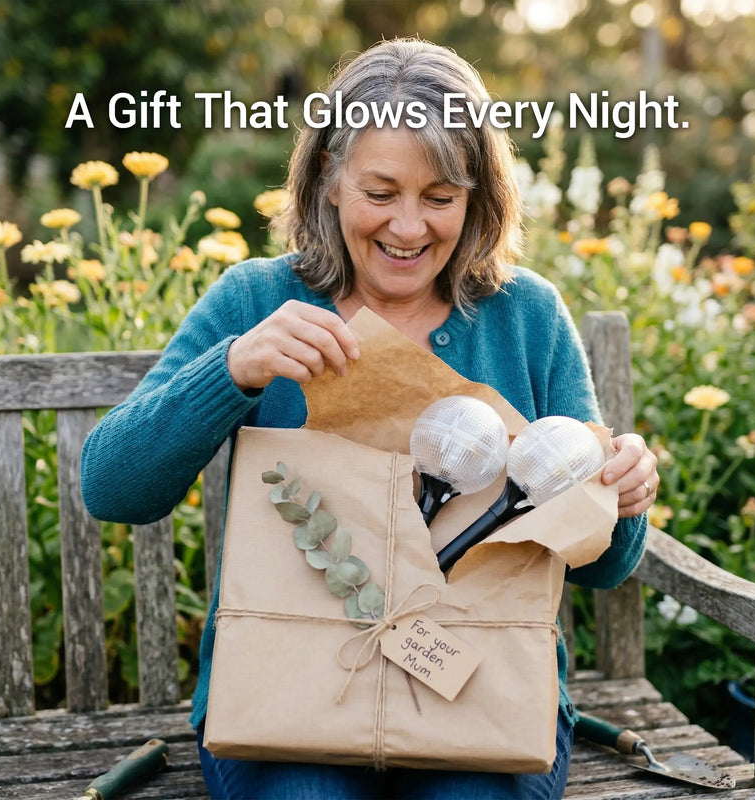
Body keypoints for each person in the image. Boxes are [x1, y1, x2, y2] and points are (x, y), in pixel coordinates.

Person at [80, 37, 659, 800]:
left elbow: (607, 567)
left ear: (479, 194)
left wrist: (621, 497)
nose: (410, 228)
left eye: (440, 198)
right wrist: (233, 370)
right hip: (283, 694)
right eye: (380, 194)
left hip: (485, 698)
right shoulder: (257, 300)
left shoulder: (527, 319)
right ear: (329, 177)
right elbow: (113, 488)